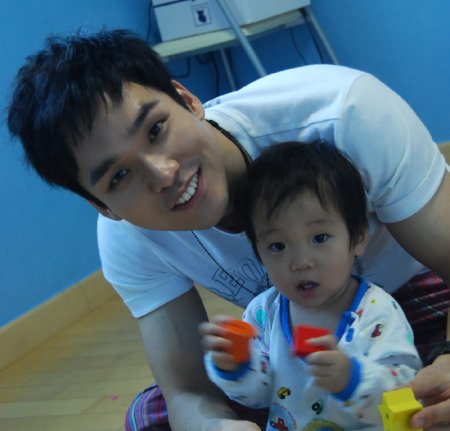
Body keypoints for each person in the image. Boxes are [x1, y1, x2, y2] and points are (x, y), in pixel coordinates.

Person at [6, 29, 450, 431]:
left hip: (417, 303)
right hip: (293, 347)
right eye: (119, 177)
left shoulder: (343, 113)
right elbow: (187, 389)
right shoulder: (128, 238)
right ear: (102, 206)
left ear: (187, 99)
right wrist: (217, 425)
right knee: (147, 417)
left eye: (156, 129)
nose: (163, 174)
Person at [200, 141, 422, 430]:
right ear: (259, 253)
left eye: (319, 238)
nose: (301, 262)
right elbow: (258, 395)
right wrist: (236, 365)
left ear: (357, 237)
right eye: (278, 246)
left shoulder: (376, 311)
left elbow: (407, 389)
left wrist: (351, 378)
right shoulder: (263, 313)